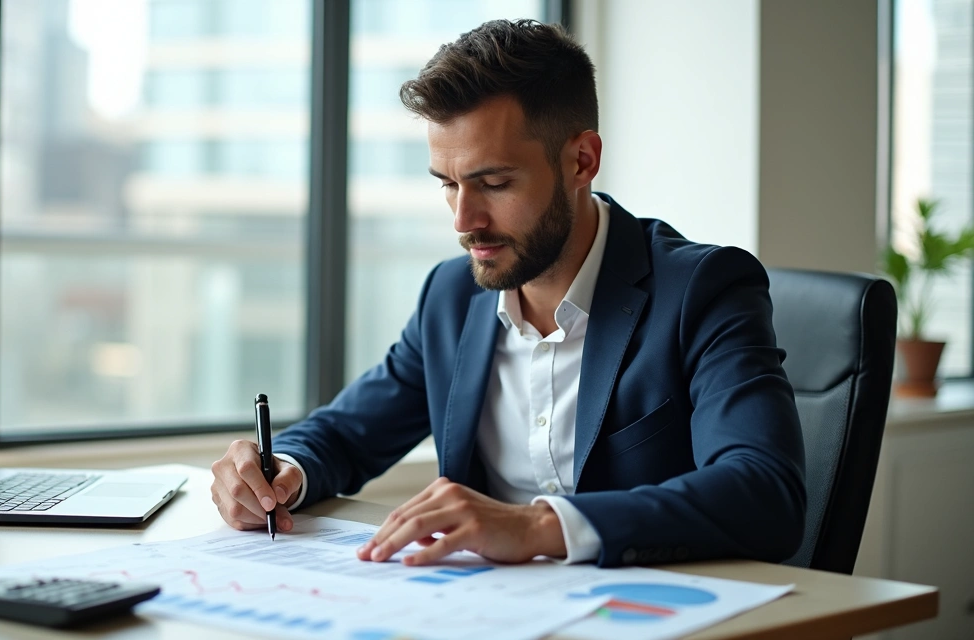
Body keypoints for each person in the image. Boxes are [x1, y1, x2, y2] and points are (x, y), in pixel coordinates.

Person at [210, 18, 805, 568]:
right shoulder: (451, 296)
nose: (463, 220)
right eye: (447, 185)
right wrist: (279, 471)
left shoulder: (703, 289)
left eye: (493, 183)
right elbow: (344, 433)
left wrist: (540, 527)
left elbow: (764, 490)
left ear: (582, 160)